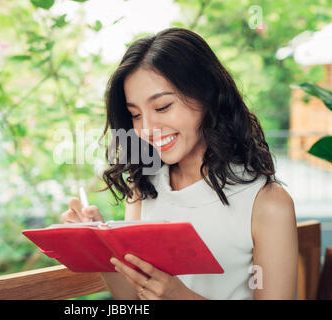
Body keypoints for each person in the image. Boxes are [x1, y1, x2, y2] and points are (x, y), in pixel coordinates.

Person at [61, 27, 298, 300]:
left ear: (207, 95)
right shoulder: (144, 189)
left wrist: (180, 296)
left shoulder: (267, 203)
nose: (147, 128)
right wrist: (102, 246)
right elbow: (132, 301)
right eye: (135, 115)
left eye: (162, 107)